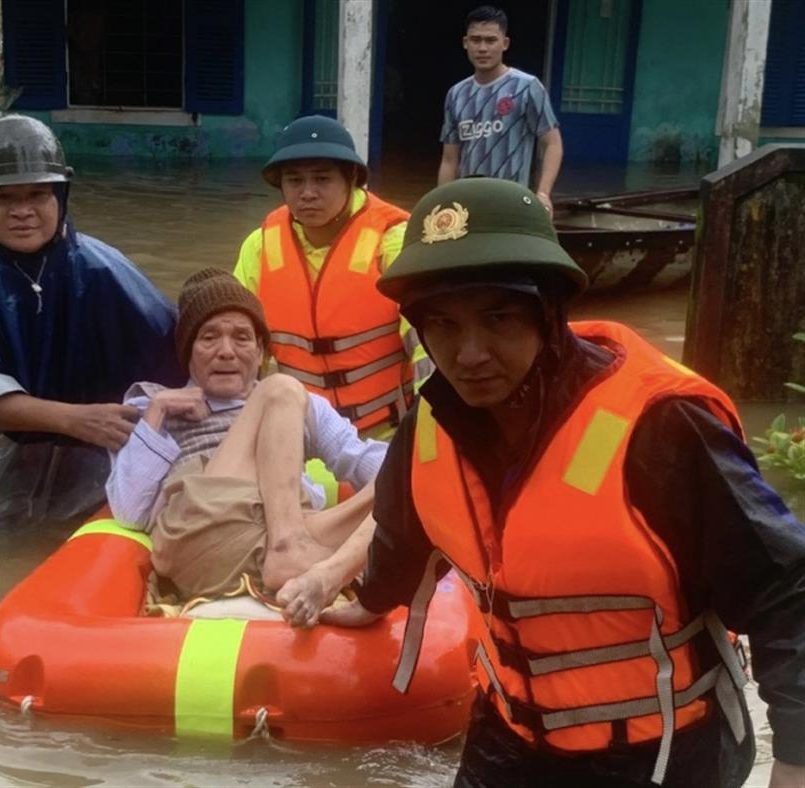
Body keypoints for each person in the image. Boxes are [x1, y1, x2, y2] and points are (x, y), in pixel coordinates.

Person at [323, 178, 805, 787]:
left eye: (497, 318)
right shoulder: (430, 422)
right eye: (442, 325)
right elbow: (402, 533)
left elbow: (785, 590)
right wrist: (369, 601)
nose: (468, 353)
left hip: (660, 749)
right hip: (510, 735)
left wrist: (795, 759)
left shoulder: (663, 427)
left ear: (550, 311)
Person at [0, 114, 182, 528]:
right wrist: (75, 419)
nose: (22, 212)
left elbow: (179, 355)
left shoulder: (102, 270)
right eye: (3, 199)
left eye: (37, 195)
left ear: (61, 196)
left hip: (89, 465)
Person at [106, 269, 386, 620]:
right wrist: (158, 411)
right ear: (188, 352)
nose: (226, 351)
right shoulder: (152, 404)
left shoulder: (304, 407)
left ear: (259, 352)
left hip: (271, 536)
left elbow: (360, 459)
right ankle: (291, 548)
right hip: (203, 534)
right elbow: (130, 512)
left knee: (413, 473)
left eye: (241, 338)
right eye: (209, 338)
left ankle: (303, 556)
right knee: (280, 389)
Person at [233, 115, 431, 444]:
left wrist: (427, 429)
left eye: (322, 179)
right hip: (300, 434)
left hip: (388, 434)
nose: (307, 193)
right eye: (294, 181)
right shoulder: (259, 247)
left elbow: (429, 345)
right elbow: (238, 341)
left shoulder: (393, 241)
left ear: (351, 178)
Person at [437, 5, 563, 214]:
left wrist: (543, 193)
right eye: (476, 40)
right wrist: (442, 204)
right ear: (465, 43)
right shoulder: (456, 94)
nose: (483, 48)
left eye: (491, 40)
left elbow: (552, 143)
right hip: (468, 203)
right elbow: (450, 159)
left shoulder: (527, 87)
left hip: (514, 202)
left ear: (505, 44)